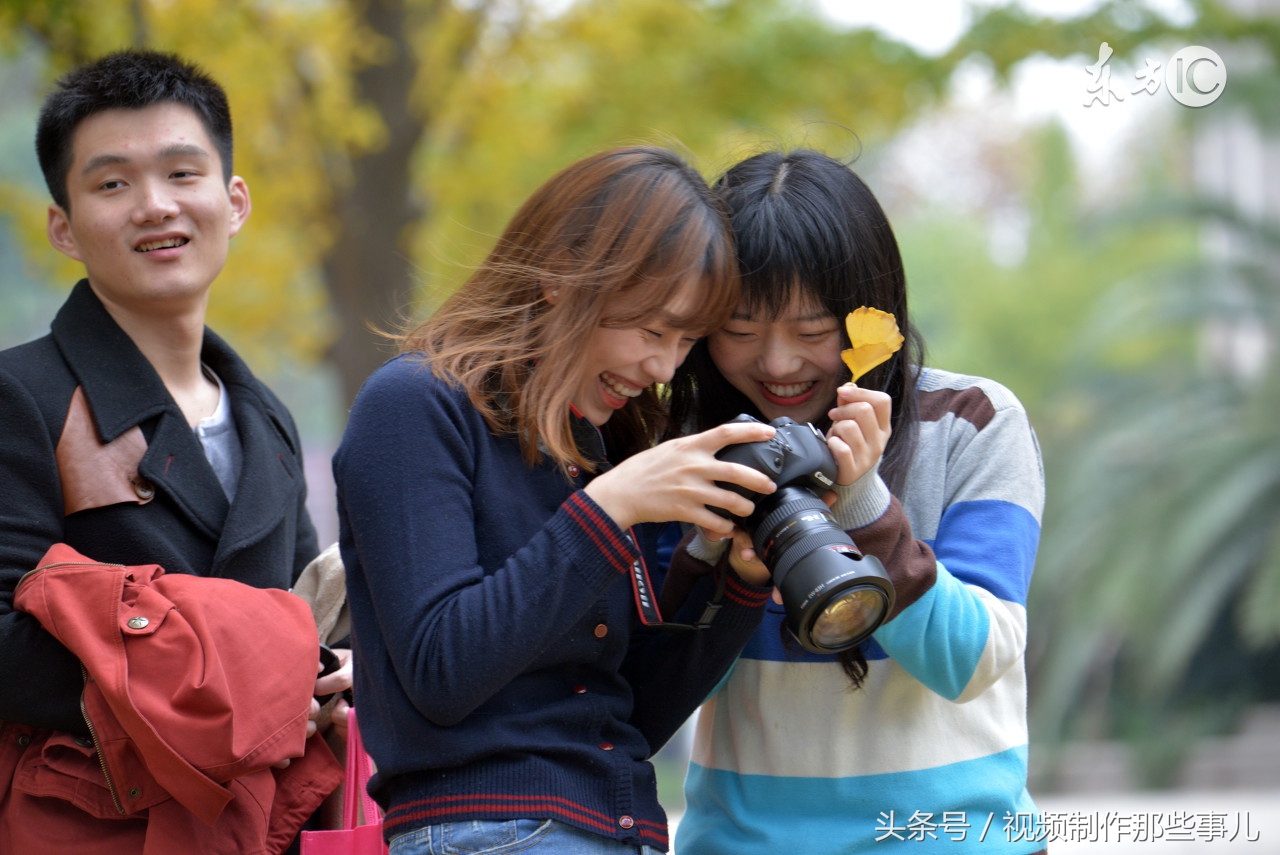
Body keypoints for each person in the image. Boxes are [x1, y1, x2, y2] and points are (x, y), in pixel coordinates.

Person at [332, 145, 785, 855]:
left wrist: (740, 584)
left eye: (686, 340)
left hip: (614, 829)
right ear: (560, 278)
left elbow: (630, 714)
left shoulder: (593, 449)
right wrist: (606, 511)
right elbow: (441, 670)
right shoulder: (415, 405)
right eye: (651, 329)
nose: (662, 367)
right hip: (489, 831)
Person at [0, 49, 348, 852]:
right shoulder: (22, 397)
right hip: (87, 825)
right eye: (112, 184)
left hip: (257, 828)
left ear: (234, 202)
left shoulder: (268, 421)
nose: (155, 206)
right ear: (64, 226)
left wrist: (328, 673)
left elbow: (296, 621)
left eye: (182, 173)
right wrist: (232, 687)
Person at [665, 149, 1047, 854]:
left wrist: (862, 502)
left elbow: (973, 662)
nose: (778, 364)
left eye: (812, 331)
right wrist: (712, 555)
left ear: (876, 313)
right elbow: (650, 687)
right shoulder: (687, 448)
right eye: (741, 331)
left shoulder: (973, 421)